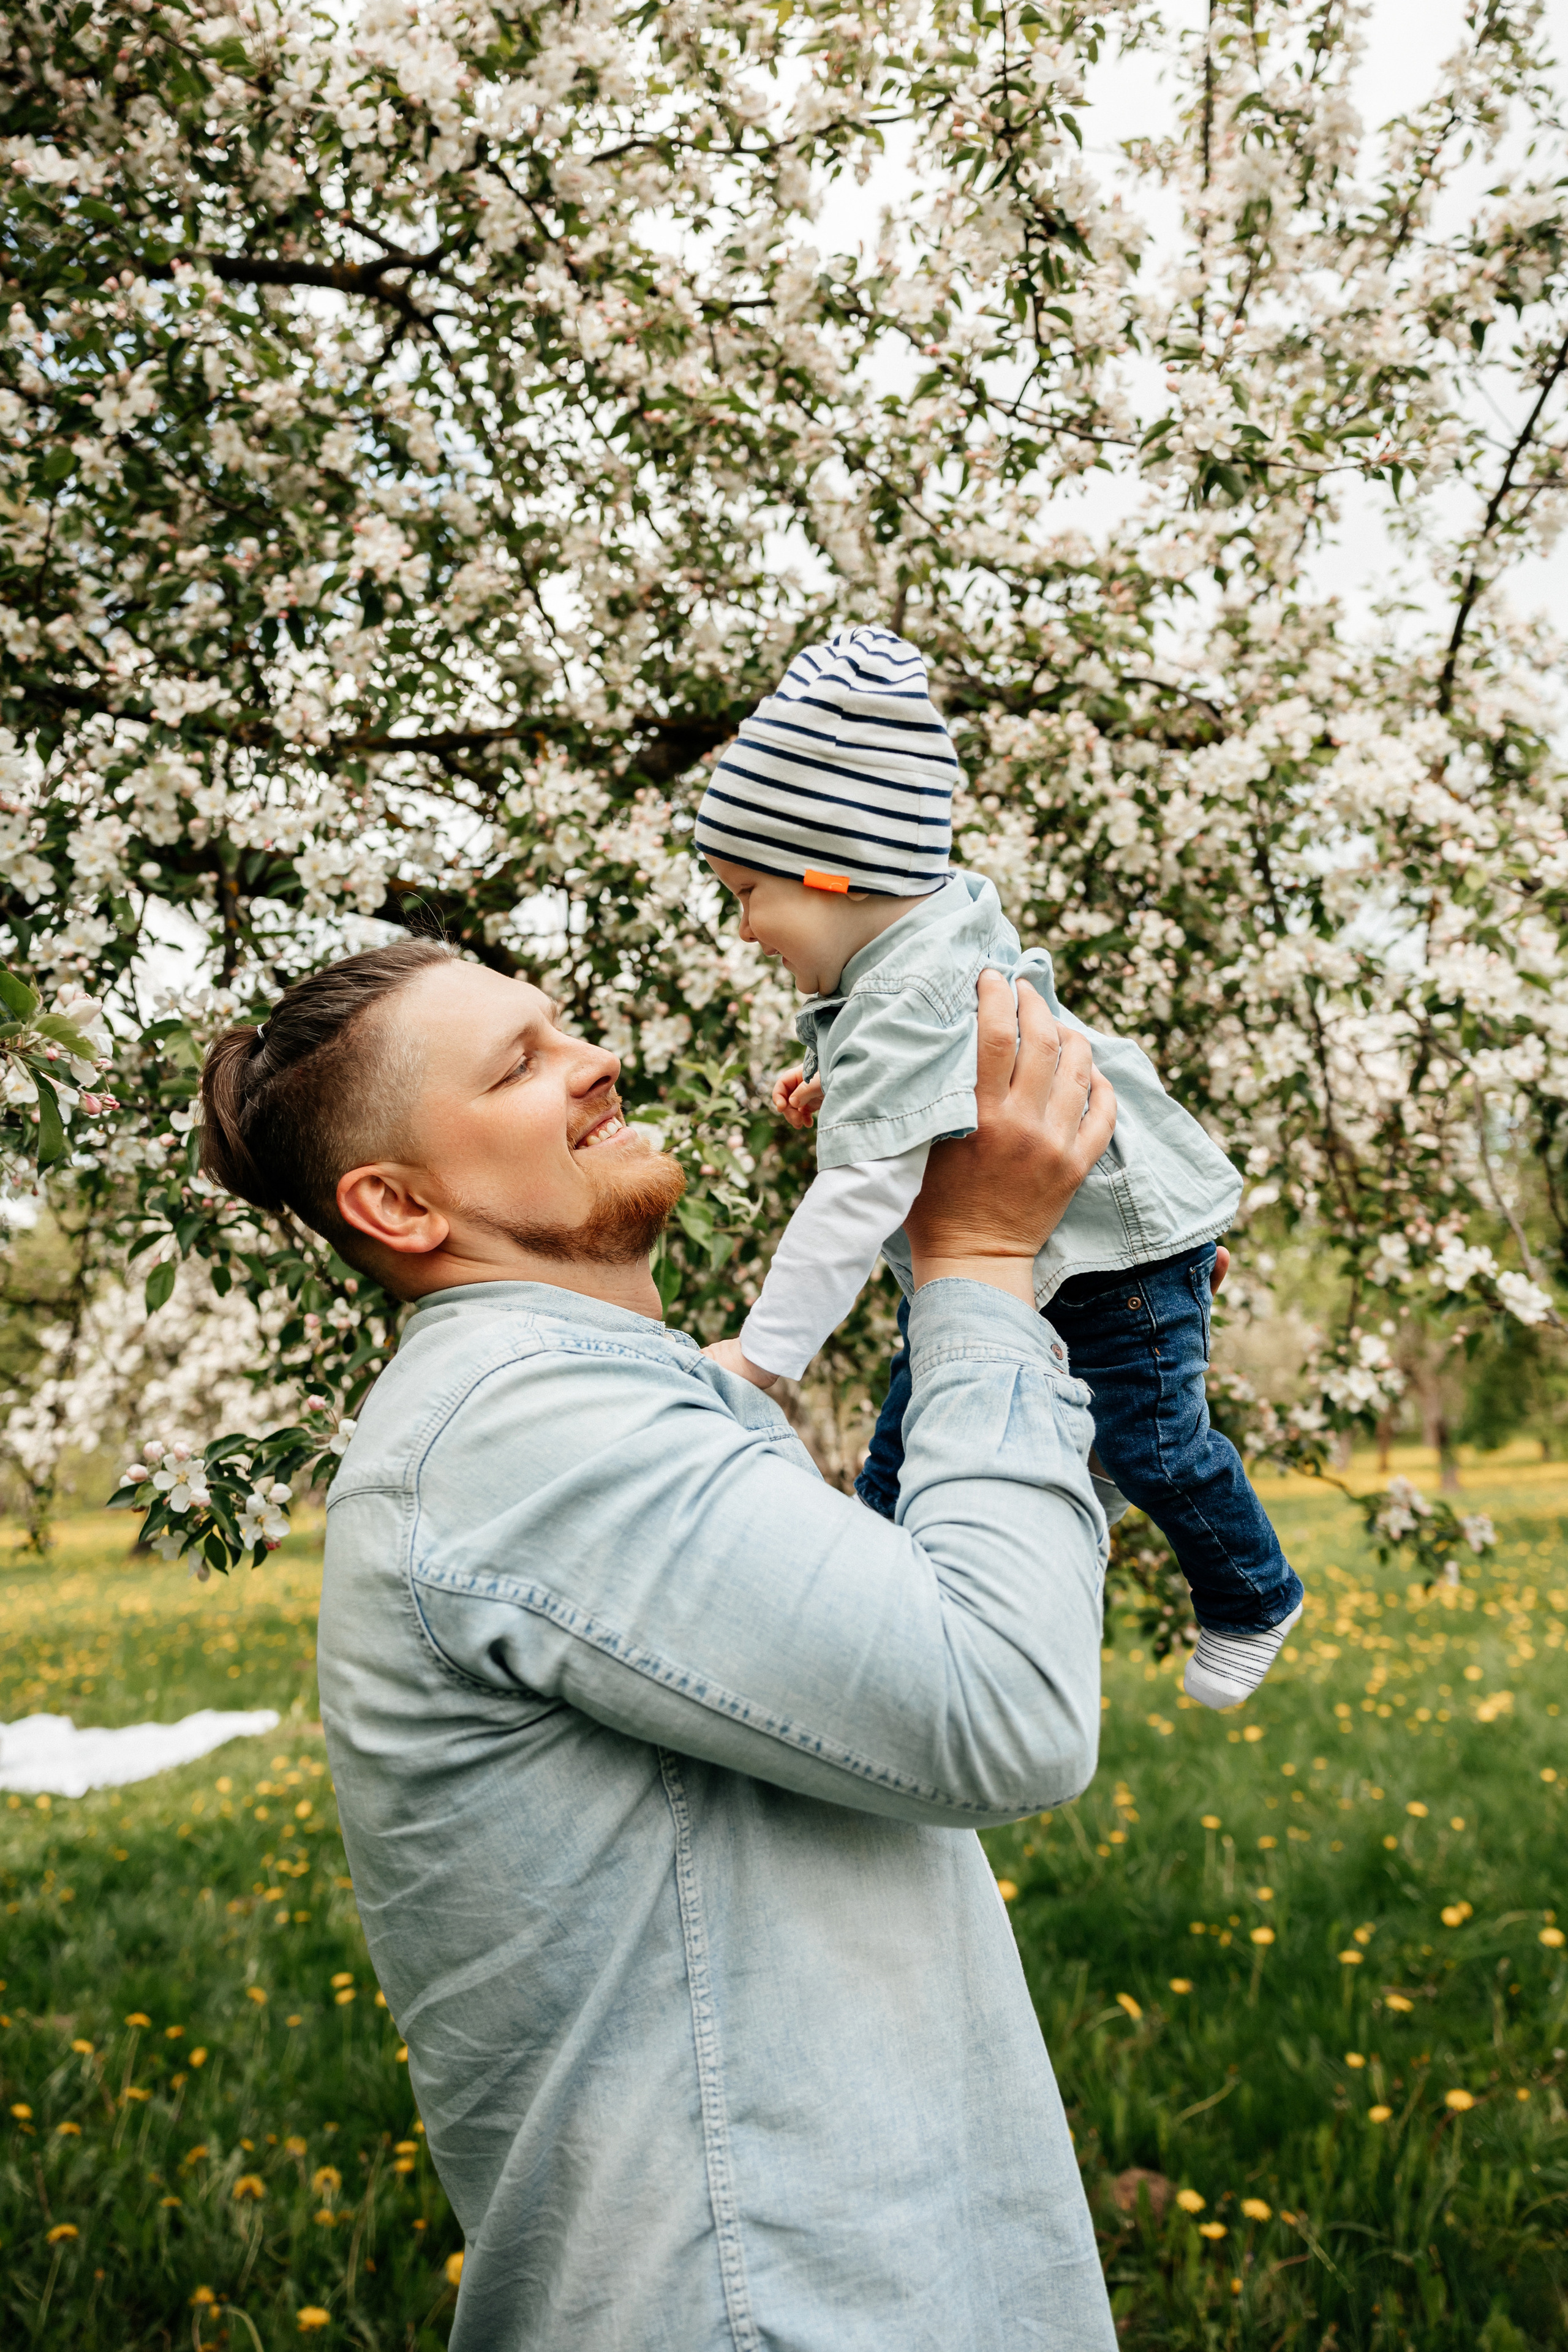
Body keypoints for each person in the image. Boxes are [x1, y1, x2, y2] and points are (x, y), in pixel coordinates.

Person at [198, 935, 1120, 2352]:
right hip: (764, 2298)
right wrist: (977, 1255)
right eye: (519, 1064)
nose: (594, 1061)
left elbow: (902, 1620)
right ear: (396, 1203)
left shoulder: (604, 1402)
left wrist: (1002, 1277)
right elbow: (999, 1704)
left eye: (559, 1026)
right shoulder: (523, 1432)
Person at [694, 624, 1302, 1710]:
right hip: (1016, 1261)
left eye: (747, 893)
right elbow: (938, 1083)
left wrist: (764, 1355)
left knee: (1156, 1443)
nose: (743, 930)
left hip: (1114, 1258)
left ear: (835, 873)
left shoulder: (904, 988)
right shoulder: (920, 937)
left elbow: (859, 1197)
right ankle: (884, 1609)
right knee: (907, 1451)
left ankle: (1254, 1593)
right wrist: (845, 1097)